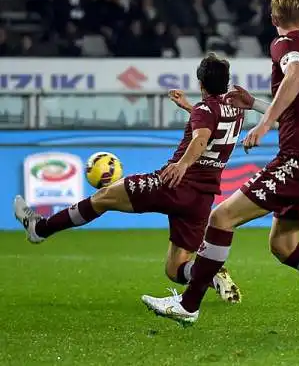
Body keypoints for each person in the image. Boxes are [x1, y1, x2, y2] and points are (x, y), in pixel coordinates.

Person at [141, 0, 299, 328]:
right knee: (283, 244)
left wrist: (264, 123)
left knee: (221, 218)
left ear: (274, 20)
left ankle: (189, 305)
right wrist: (254, 105)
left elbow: (295, 75)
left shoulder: (285, 44)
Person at [13, 54, 243, 303]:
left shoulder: (205, 110)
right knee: (174, 268)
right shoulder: (235, 111)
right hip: (201, 198)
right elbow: (213, 126)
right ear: (226, 82)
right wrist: (189, 107)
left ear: (201, 83)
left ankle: (40, 229)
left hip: (172, 184)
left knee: (102, 197)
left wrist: (182, 164)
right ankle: (210, 275)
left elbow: (200, 138)